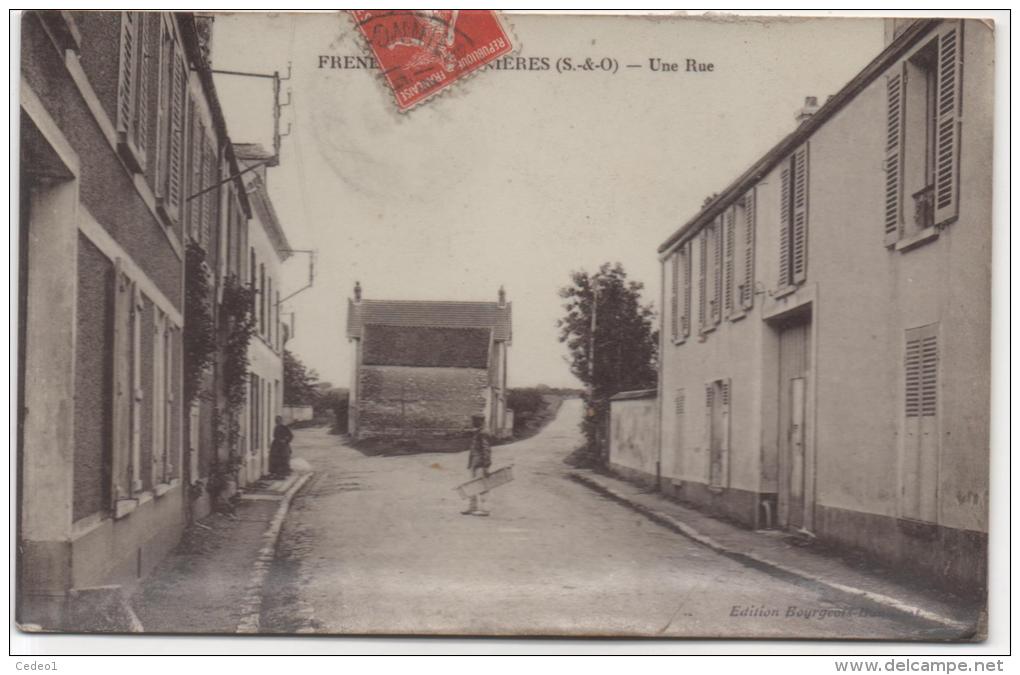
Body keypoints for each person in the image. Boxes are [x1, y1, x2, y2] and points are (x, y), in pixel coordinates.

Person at [462, 415, 492, 516]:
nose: (472, 423)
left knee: (482, 486)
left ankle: (484, 509)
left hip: (480, 464)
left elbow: (486, 450)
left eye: (474, 421)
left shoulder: (484, 433)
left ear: (480, 421)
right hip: (475, 464)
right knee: (472, 485)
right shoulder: (478, 432)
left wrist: (486, 466)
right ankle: (472, 508)